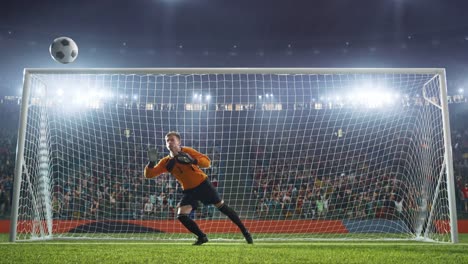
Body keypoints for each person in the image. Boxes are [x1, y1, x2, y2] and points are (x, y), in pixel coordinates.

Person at [144, 131, 253, 245]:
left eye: (172, 140)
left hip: (203, 184)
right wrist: (151, 163)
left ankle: (245, 232)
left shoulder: (187, 151)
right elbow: (149, 175)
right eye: (167, 140)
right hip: (189, 190)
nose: (169, 142)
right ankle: (202, 237)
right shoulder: (166, 162)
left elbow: (207, 162)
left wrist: (193, 160)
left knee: (222, 207)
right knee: (181, 215)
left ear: (179, 142)